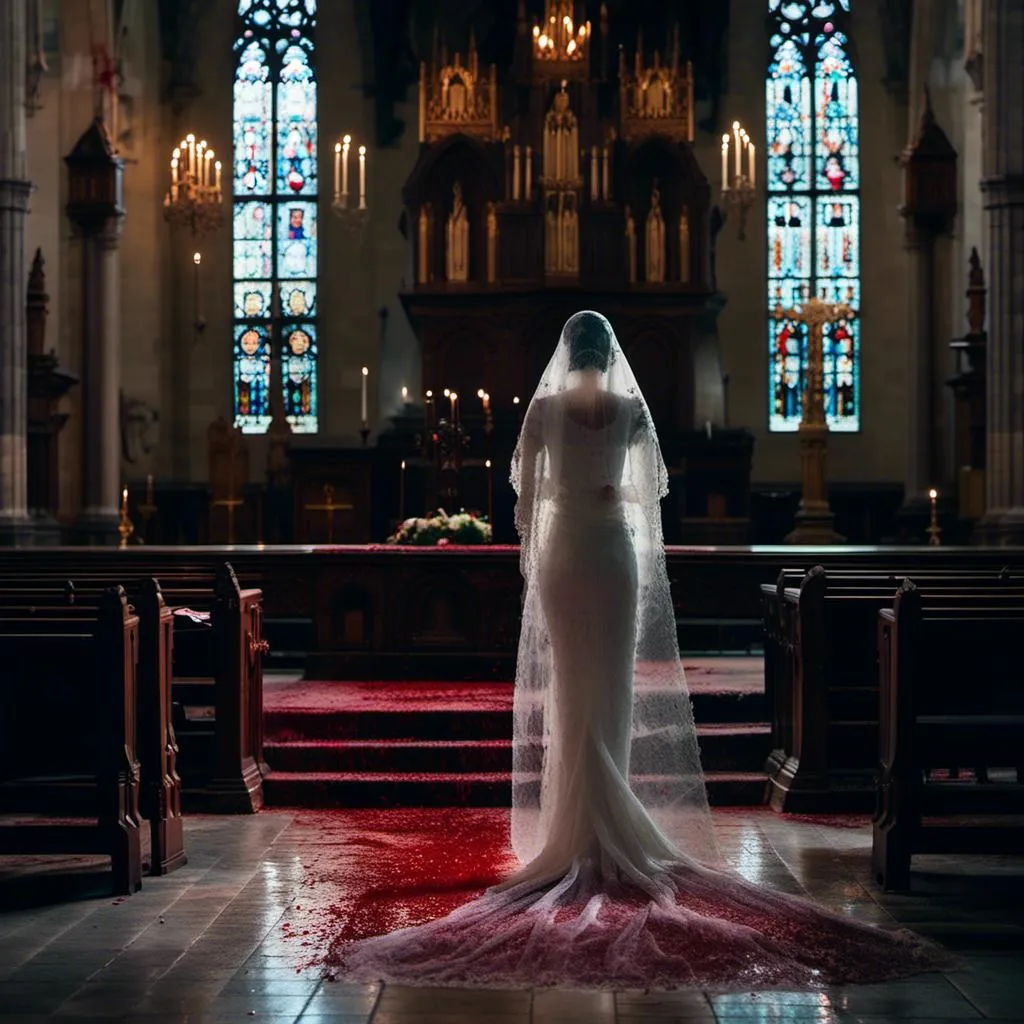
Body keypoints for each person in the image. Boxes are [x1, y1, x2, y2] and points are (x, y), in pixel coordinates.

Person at [336, 312, 950, 990]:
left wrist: (548, 536)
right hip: (614, 554)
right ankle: (609, 819)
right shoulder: (631, 407)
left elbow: (527, 500)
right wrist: (605, 496)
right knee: (611, 686)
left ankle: (574, 829)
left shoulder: (543, 408)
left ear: (567, 353)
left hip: (567, 553)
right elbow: (644, 498)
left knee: (572, 687)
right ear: (612, 354)